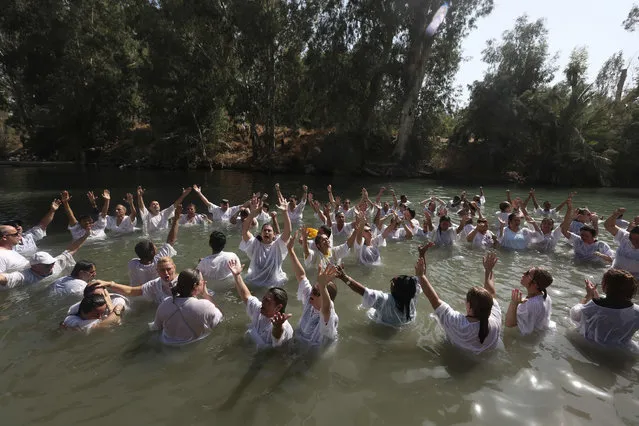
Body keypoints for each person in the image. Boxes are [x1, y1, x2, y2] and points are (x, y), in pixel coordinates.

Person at [416, 252, 502, 354]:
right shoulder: (495, 321)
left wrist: (421, 276)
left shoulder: (456, 322)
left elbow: (434, 299)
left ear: (469, 306)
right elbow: (491, 293)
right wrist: (488, 271)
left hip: (456, 356)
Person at [228, 259, 293, 348]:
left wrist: (277, 327)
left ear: (278, 308)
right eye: (264, 298)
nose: (263, 302)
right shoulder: (260, 309)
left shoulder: (282, 326)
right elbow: (246, 296)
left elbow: (277, 336)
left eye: (267, 301)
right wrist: (237, 276)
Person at [287, 236, 339, 346]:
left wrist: (322, 286)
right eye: (313, 290)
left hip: (314, 355)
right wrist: (290, 251)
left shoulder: (330, 317)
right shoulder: (311, 299)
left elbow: (326, 308)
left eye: (316, 292)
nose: (312, 293)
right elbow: (301, 276)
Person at [150, 268, 223, 345]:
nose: (204, 282)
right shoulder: (205, 306)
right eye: (202, 281)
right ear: (195, 286)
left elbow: (156, 327)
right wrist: (206, 294)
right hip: (195, 344)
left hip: (168, 343)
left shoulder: (165, 303)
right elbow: (219, 319)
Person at [569, 269, 639, 349]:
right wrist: (595, 297)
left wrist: (588, 295)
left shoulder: (593, 305)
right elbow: (614, 312)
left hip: (589, 348)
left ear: (605, 286)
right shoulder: (637, 312)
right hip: (621, 352)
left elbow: (574, 315)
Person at [0, 231, 89, 290]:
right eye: (47, 265)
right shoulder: (25, 276)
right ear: (34, 266)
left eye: (52, 262)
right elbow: (5, 279)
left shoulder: (56, 264)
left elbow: (71, 250)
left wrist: (86, 235)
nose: (51, 266)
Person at [336, 265, 421, 327]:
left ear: (396, 288)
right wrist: (422, 254)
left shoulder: (384, 300)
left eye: (392, 282)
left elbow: (362, 291)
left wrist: (344, 277)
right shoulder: (412, 294)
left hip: (382, 326)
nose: (391, 283)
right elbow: (421, 276)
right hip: (405, 324)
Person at [239, 193, 291, 287]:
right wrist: (252, 214)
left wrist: (285, 212)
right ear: (261, 233)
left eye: (269, 231)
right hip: (255, 282)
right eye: (265, 230)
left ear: (274, 234)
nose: (267, 232)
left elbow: (288, 232)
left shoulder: (278, 244)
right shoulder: (255, 244)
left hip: (274, 282)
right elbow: (244, 231)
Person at [127, 204, 181, 286]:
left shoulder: (132, 264)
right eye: (153, 246)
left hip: (137, 294)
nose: (155, 246)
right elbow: (171, 240)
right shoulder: (158, 261)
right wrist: (176, 219)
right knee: (176, 274)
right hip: (156, 294)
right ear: (153, 252)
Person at [97, 257, 179, 305]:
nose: (166, 273)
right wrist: (109, 284)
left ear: (174, 267)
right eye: (162, 270)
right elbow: (131, 291)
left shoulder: (184, 280)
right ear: (157, 271)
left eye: (169, 269)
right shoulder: (155, 284)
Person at [560, 199, 613, 264]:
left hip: (570, 248)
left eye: (590, 214)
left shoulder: (601, 245)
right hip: (573, 248)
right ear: (579, 216)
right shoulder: (578, 237)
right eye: (588, 214)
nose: (583, 237)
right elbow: (595, 235)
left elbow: (611, 259)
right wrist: (595, 223)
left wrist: (601, 255)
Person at [505, 267, 554, 335]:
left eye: (527, 273)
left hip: (524, 339)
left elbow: (509, 324)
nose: (524, 273)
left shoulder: (530, 304)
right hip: (538, 334)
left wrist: (514, 303)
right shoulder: (546, 297)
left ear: (535, 284)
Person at [60, 288, 125, 333]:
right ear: (83, 312)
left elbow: (117, 322)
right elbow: (101, 326)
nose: (99, 317)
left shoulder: (113, 300)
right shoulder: (71, 319)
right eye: (95, 314)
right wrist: (116, 310)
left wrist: (111, 306)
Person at [604, 208, 639, 278]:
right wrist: (616, 214)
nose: (634, 242)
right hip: (612, 275)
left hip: (633, 282)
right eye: (632, 239)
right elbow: (608, 225)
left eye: (638, 240)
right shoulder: (625, 236)